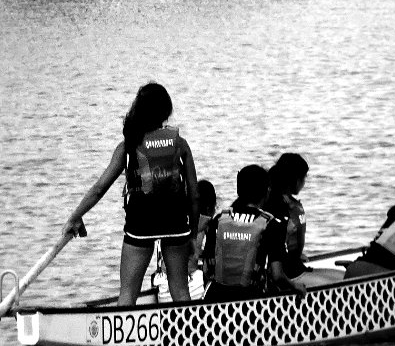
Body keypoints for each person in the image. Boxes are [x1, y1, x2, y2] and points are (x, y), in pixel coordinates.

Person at [63, 82, 198, 305]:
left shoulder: (128, 146)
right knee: (181, 292)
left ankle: (123, 338)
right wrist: (192, 234)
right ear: (166, 111)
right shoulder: (180, 143)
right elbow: (194, 194)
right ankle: (186, 337)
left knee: (127, 294)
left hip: (140, 225)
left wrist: (75, 216)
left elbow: (99, 189)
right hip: (176, 224)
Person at [202, 165, 303, 302]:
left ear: (239, 190)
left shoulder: (219, 219)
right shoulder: (271, 224)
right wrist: (295, 286)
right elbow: (277, 275)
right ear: (267, 191)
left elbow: (207, 269)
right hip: (250, 302)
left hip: (215, 299)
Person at [266, 153, 343, 291]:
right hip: (290, 275)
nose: (304, 182)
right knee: (344, 283)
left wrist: (296, 252)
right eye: (304, 178)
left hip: (298, 267)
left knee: (346, 276)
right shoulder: (277, 206)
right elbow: (272, 242)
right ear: (295, 179)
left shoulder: (291, 203)